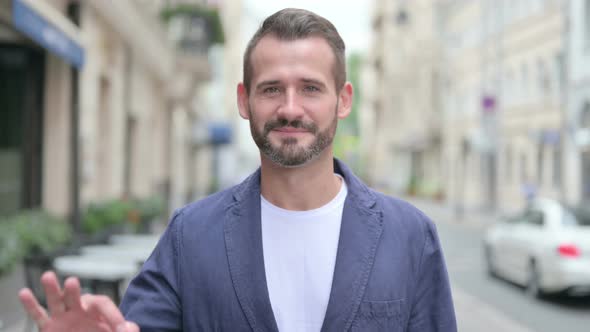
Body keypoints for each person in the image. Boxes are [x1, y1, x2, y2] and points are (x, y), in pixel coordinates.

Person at [19, 8, 457, 332]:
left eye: (309, 88)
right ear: (244, 100)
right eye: (271, 89)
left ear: (343, 99)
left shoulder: (410, 235)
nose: (289, 107)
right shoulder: (191, 234)